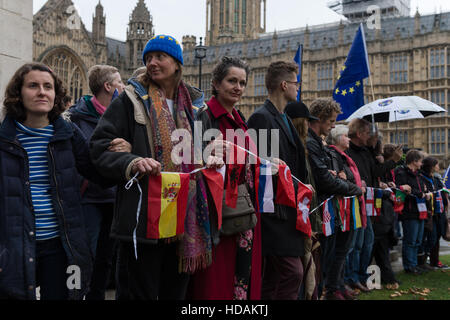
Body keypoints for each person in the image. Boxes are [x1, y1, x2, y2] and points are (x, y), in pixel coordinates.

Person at [90, 34, 218, 300]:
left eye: (160, 57)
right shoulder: (130, 100)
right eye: (148, 58)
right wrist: (132, 160)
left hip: (184, 219)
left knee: (176, 293)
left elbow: (205, 149)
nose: (152, 63)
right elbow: (99, 147)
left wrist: (213, 156)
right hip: (143, 219)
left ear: (177, 63)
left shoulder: (196, 107)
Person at [0, 62, 106, 300]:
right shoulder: (4, 139)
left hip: (62, 246)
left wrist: (125, 156)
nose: (42, 91)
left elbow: (99, 172)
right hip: (14, 247)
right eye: (33, 86)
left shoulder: (68, 134)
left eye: (48, 86)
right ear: (18, 93)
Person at [189, 56, 261, 300]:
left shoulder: (239, 119)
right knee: (216, 281)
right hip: (216, 215)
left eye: (242, 82)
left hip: (241, 211)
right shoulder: (204, 116)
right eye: (232, 81)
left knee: (239, 278)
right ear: (216, 83)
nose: (238, 87)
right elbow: (192, 160)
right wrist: (209, 156)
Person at [246, 61, 312, 300]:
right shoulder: (262, 119)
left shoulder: (282, 117)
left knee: (274, 276)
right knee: (291, 273)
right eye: (296, 83)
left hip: (289, 208)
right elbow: (264, 173)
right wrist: (298, 187)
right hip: (273, 213)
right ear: (284, 85)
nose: (298, 87)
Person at [68, 65, 129, 300]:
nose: (123, 86)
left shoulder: (122, 118)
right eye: (119, 82)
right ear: (108, 87)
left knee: (105, 259)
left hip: (113, 197)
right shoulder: (77, 116)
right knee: (84, 256)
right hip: (88, 198)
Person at [307, 99, 362, 300]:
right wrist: (355, 189)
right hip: (319, 210)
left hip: (327, 211)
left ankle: (330, 290)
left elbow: (332, 175)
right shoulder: (311, 143)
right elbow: (325, 181)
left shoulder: (318, 144)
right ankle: (328, 291)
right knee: (320, 262)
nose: (332, 125)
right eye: (331, 121)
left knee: (326, 260)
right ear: (319, 119)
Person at [285, 101, 321, 300]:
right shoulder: (296, 146)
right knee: (298, 270)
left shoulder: (303, 147)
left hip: (307, 214)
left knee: (308, 266)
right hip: (298, 215)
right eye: (307, 121)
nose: (309, 125)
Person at [324, 124, 363, 300]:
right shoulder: (334, 156)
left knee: (344, 250)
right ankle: (334, 288)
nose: (349, 139)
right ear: (338, 138)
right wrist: (356, 188)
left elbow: (348, 180)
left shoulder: (344, 157)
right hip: (341, 208)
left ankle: (339, 285)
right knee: (339, 251)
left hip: (350, 207)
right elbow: (339, 182)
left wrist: (354, 185)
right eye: (346, 136)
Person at [345, 118, 383, 292]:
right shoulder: (349, 152)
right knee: (354, 244)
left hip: (366, 203)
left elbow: (375, 172)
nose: (370, 136)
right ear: (359, 133)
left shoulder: (367, 151)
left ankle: (359, 276)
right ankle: (349, 278)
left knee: (367, 242)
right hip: (354, 202)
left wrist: (383, 156)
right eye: (368, 133)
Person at [394, 149, 430, 274]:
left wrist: (424, 194)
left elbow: (418, 190)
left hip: (420, 211)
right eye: (420, 161)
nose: (421, 164)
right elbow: (403, 191)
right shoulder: (402, 172)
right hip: (409, 211)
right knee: (410, 240)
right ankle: (409, 266)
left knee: (418, 240)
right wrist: (420, 194)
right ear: (414, 161)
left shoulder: (419, 175)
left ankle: (414, 264)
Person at [371, 143, 402, 288]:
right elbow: (375, 176)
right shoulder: (378, 163)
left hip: (385, 211)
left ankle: (387, 278)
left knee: (382, 248)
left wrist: (388, 184)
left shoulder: (387, 168)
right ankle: (376, 279)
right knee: (374, 248)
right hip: (378, 211)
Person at [418, 157, 441, 271]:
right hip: (426, 212)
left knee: (433, 238)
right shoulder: (422, 178)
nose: (438, 167)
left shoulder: (434, 178)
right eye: (437, 165)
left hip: (435, 212)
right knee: (425, 238)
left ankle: (424, 259)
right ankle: (421, 261)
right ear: (432, 166)